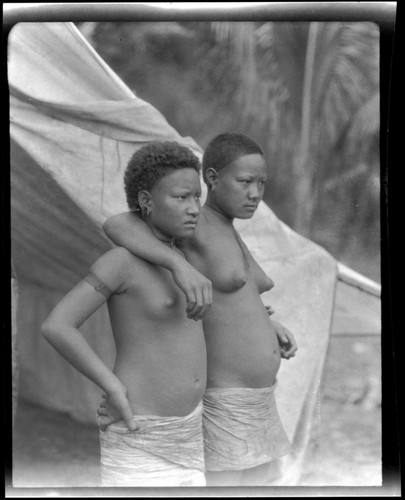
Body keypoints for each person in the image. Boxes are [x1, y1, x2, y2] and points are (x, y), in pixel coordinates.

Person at [100, 132, 298, 486]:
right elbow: (116, 223)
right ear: (212, 179)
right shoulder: (196, 221)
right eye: (245, 182)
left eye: (261, 184)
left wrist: (270, 323)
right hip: (227, 397)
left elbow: (234, 297)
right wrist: (180, 266)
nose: (255, 193)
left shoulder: (226, 227)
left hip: (259, 399)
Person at [41, 141, 208, 487]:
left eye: (197, 197)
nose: (194, 208)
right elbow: (58, 325)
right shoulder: (121, 262)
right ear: (146, 201)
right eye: (181, 197)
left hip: (191, 431)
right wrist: (112, 387)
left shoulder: (188, 257)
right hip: (140, 430)